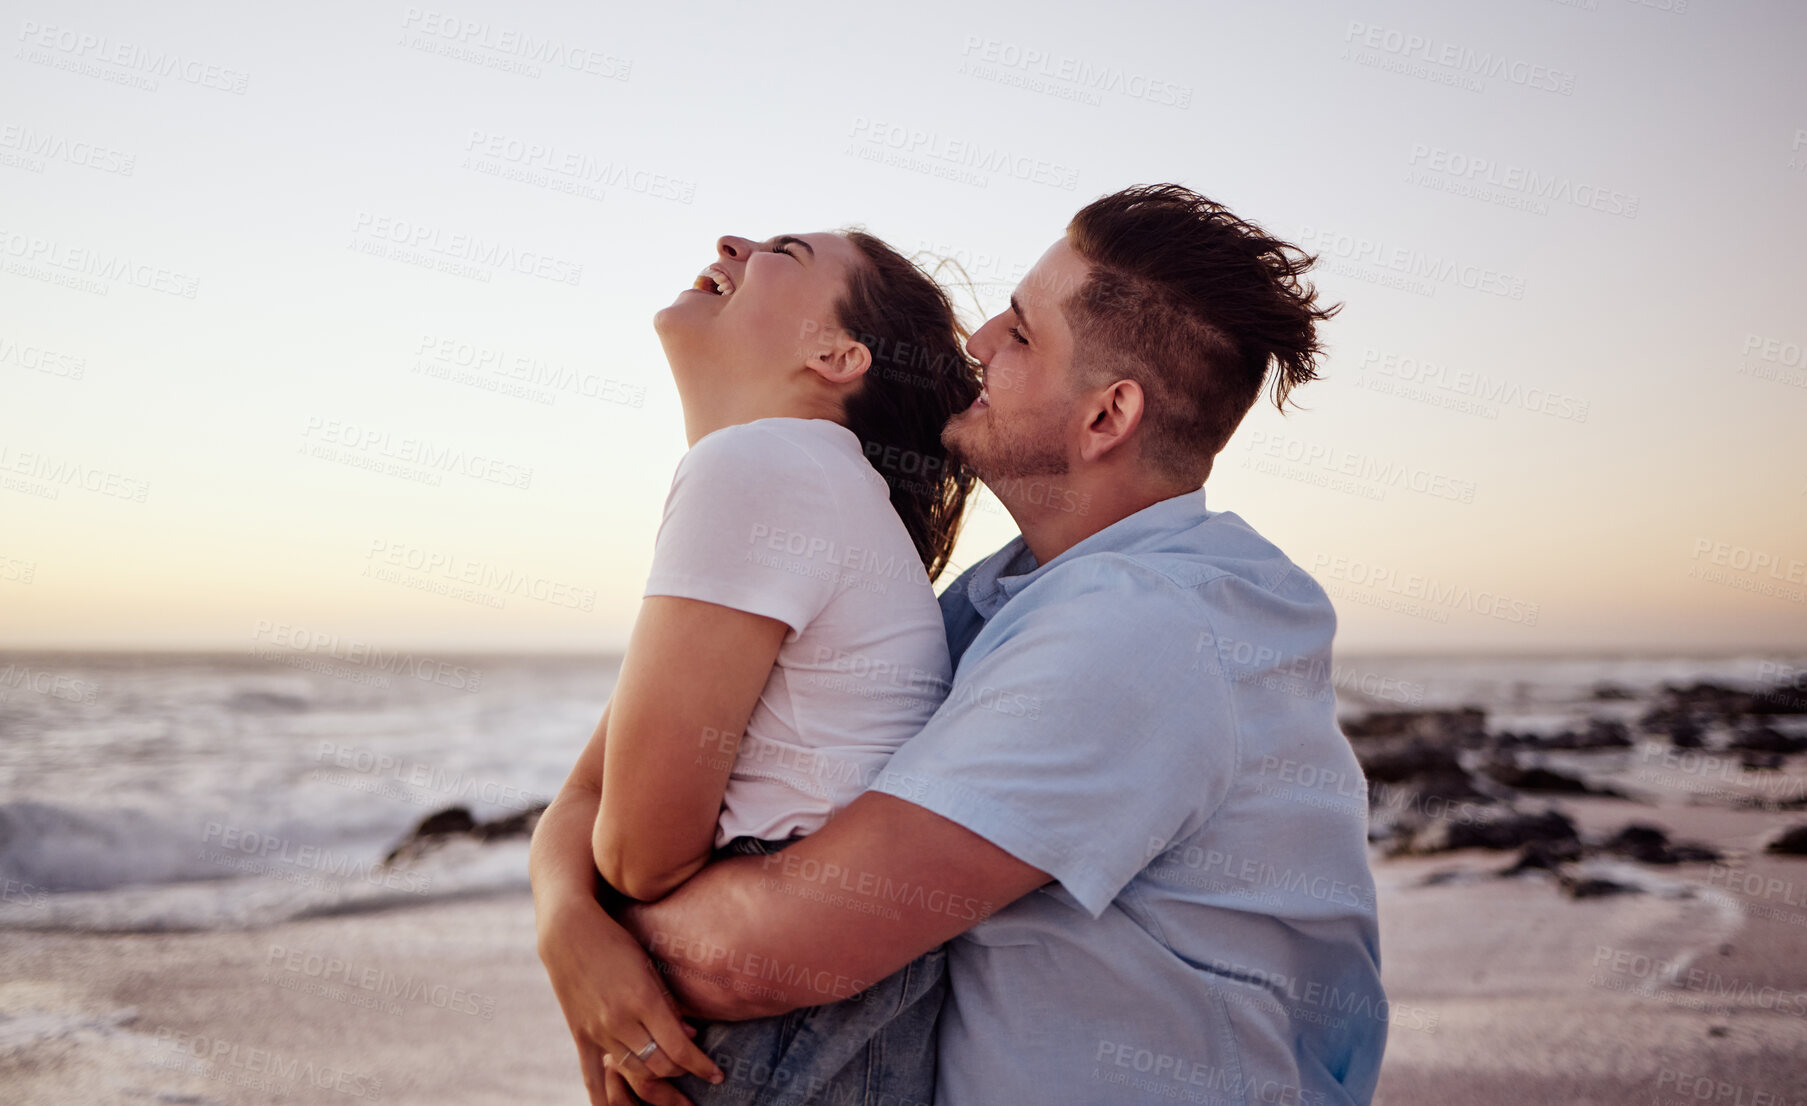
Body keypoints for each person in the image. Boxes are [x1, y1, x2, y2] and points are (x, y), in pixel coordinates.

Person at [593, 184, 1390, 1106]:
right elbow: (605, 784)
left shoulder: (1142, 629)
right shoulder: (1001, 600)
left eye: (1018, 332)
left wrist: (599, 952)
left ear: (1106, 417)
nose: (973, 344)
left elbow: (766, 957)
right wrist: (565, 916)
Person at [529, 227, 981, 1106]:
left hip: (773, 1022)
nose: (731, 242)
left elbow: (636, 855)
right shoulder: (803, 481)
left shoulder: (764, 466)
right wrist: (567, 923)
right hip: (825, 1015)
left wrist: (595, 911)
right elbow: (584, 796)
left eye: (783, 250)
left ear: (836, 353)